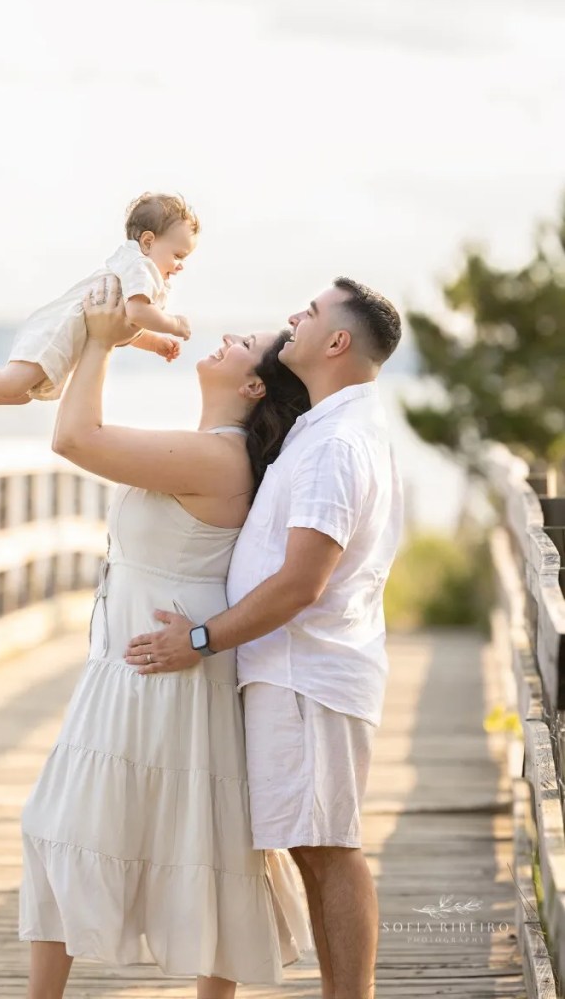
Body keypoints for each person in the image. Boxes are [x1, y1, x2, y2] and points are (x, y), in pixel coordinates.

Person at [19, 275, 312, 999]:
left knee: (163, 838)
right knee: (108, 829)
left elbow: (72, 436)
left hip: (164, 669)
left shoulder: (217, 456)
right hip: (141, 660)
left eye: (243, 345)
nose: (226, 339)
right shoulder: (206, 449)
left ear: (252, 389)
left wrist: (98, 343)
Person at [125, 277, 404, 999]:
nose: (292, 319)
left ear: (337, 343)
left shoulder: (336, 443)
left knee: (328, 849)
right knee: (314, 847)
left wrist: (199, 638)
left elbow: (301, 581)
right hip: (293, 671)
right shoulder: (324, 429)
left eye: (309, 313)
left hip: (307, 672)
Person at [0, 192, 197, 436]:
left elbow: (122, 327)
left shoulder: (136, 271)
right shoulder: (141, 267)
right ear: (148, 241)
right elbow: (138, 312)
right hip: (54, 331)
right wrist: (173, 325)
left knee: (21, 393)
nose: (181, 265)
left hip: (54, 330)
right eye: (178, 255)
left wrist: (157, 344)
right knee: (11, 383)